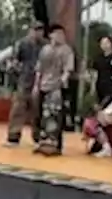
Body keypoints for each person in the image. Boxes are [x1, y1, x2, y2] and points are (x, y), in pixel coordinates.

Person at [33, 24, 75, 156]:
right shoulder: (45, 50)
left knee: (55, 114)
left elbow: (68, 69)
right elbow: (39, 69)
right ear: (51, 35)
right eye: (57, 34)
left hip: (56, 87)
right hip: (43, 85)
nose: (60, 37)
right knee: (41, 115)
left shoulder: (67, 50)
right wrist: (36, 84)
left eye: (62, 34)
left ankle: (55, 144)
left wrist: (62, 81)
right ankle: (42, 141)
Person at [5, 23, 46, 147]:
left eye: (41, 30)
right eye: (36, 29)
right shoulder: (22, 44)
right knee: (18, 108)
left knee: (37, 110)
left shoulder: (45, 46)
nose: (39, 32)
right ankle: (13, 136)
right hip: (24, 79)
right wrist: (18, 70)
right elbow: (13, 61)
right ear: (30, 30)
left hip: (40, 81)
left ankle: (38, 137)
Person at [90, 36, 112, 110]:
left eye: (107, 42)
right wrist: (93, 87)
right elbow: (95, 73)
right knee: (100, 106)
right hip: (100, 85)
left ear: (111, 44)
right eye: (102, 43)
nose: (105, 45)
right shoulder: (98, 58)